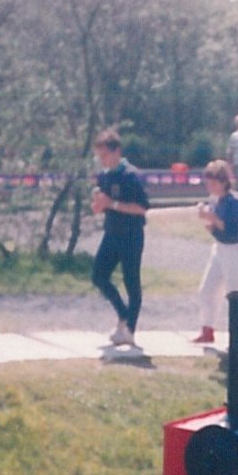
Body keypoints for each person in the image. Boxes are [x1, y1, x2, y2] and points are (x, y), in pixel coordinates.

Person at [89, 129, 149, 346]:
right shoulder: (104, 176)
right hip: (112, 233)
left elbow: (141, 208)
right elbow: (99, 207)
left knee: (131, 281)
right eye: (99, 156)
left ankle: (130, 329)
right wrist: (98, 202)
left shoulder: (131, 175)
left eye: (104, 155)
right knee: (99, 275)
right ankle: (123, 314)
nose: (101, 160)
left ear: (116, 152)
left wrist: (112, 204)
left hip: (131, 235)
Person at [191, 160, 238, 344]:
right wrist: (211, 224)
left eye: (213, 182)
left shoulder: (236, 201)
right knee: (207, 290)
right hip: (220, 248)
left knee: (236, 293)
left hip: (236, 250)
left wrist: (212, 218)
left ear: (224, 182)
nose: (209, 186)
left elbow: (234, 231)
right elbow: (219, 230)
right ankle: (207, 329)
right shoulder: (215, 200)